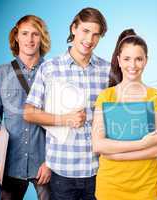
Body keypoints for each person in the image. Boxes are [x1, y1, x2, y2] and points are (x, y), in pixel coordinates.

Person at [23, 7, 110, 200]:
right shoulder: (50, 68)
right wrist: (65, 119)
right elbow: (29, 113)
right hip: (62, 172)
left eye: (96, 35)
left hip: (99, 170)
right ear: (73, 29)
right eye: (85, 31)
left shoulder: (107, 70)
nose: (89, 40)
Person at [91, 28, 157, 200]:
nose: (132, 65)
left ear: (146, 61)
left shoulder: (156, 97)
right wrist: (143, 143)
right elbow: (98, 145)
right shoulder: (106, 96)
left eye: (138, 59)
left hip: (146, 188)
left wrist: (115, 154)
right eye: (127, 59)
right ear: (118, 60)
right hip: (110, 187)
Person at [0, 15, 51, 200]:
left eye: (35, 34)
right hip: (9, 164)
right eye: (24, 33)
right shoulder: (1, 73)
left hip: (45, 164)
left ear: (42, 38)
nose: (30, 40)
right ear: (16, 36)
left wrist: (51, 162)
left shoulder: (53, 72)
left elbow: (61, 121)